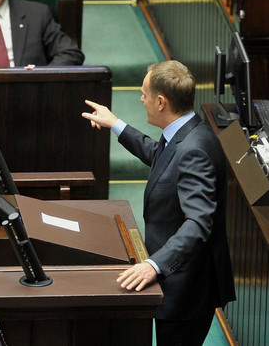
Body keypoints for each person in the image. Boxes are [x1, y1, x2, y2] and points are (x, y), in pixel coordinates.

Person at [81, 61, 236, 346]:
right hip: (180, 282)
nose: (141, 99)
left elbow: (198, 223)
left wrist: (154, 265)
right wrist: (116, 124)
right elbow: (160, 156)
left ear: (161, 101)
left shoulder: (194, 151)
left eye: (144, 94)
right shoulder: (187, 132)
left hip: (186, 290)